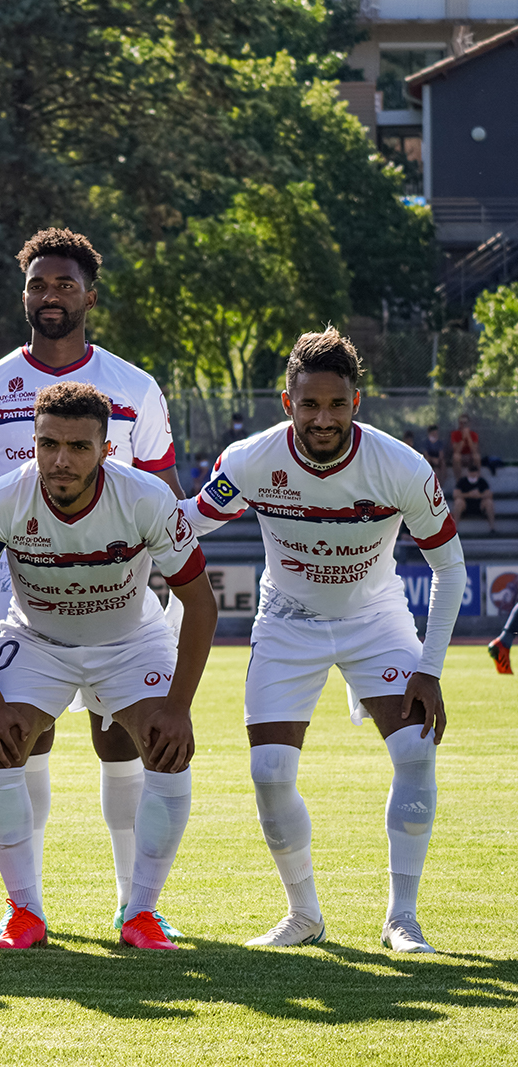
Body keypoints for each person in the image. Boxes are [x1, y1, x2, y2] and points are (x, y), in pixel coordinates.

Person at [183, 328, 464, 953]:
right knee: (269, 770)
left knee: (416, 753)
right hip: (287, 620)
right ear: (288, 404)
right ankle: (304, 915)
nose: (323, 418)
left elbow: (450, 568)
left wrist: (431, 668)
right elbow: (187, 520)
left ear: (357, 403)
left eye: (336, 404)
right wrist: (112, 508)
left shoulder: (402, 468)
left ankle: (403, 919)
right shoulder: (251, 460)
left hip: (377, 618)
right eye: (309, 404)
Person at [0, 228, 183, 938]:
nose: (51, 296)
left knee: (123, 747)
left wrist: (154, 601)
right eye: (39, 285)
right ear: (24, 296)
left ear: (89, 296)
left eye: (65, 285)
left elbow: (163, 494)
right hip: (26, 604)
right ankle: (29, 905)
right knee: (24, 742)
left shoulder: (135, 387)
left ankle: (136, 904)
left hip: (120, 600)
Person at [0, 381, 216, 951]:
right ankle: (25, 912)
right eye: (48, 444)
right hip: (36, 639)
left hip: (130, 640)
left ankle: (140, 912)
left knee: (168, 750)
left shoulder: (146, 499)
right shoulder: (2, 501)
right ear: (32, 445)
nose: (61, 461)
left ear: (107, 450)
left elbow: (201, 602)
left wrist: (180, 707)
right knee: (0, 745)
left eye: (79, 447)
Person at [452, 459, 496, 534]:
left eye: (474, 472)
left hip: (479, 504)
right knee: (458, 502)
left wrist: (479, 495)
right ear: (468, 472)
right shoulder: (462, 481)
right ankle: (454, 528)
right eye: (471, 472)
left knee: (489, 502)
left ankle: (492, 528)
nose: (473, 474)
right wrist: (469, 494)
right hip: (465, 505)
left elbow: (489, 494)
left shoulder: (482, 481)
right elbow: (455, 494)